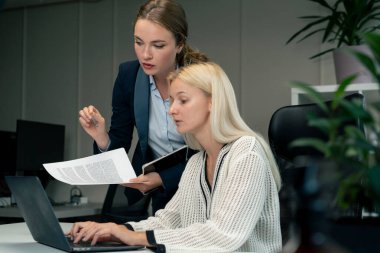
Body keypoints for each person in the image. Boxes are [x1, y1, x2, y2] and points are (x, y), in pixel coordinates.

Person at [69, 62, 282, 252]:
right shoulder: (196, 163)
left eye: (183, 100)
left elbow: (224, 235)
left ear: (212, 102)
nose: (172, 110)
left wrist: (135, 237)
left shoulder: (246, 153)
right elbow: (170, 220)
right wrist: (116, 230)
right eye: (172, 101)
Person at [78, 0, 208, 213]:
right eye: (139, 42)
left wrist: (163, 177)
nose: (145, 54)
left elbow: (214, 152)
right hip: (159, 194)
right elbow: (120, 140)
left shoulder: (202, 78)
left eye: (158, 45)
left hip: (202, 187)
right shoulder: (128, 77)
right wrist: (101, 136)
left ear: (179, 44)